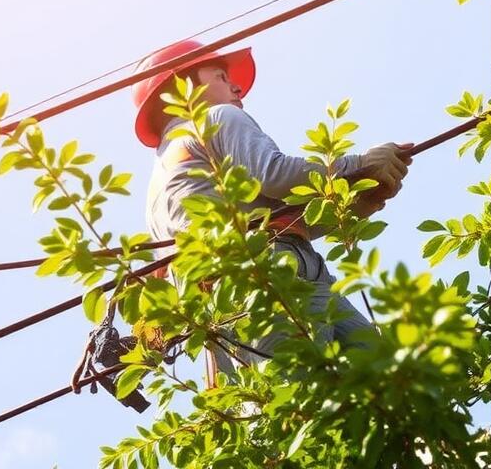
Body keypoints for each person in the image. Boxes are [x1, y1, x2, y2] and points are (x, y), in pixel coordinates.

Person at [131, 39, 412, 373]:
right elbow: (274, 175)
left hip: (224, 303)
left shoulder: (157, 190)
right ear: (181, 90)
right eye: (220, 76)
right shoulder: (216, 118)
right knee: (385, 387)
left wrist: (359, 197)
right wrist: (359, 164)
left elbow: (275, 219)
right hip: (272, 273)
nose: (236, 86)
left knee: (306, 396)